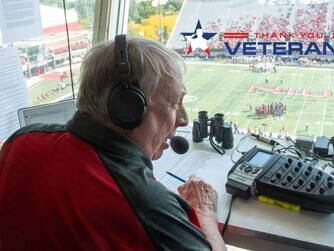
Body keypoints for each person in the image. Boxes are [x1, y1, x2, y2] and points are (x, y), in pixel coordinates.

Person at [0, 36, 226, 251]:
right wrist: (204, 212)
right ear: (128, 108)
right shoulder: (145, 202)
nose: (184, 118)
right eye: (175, 102)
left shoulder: (20, 142)